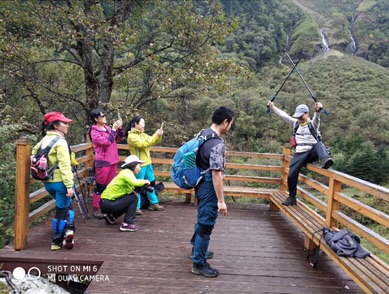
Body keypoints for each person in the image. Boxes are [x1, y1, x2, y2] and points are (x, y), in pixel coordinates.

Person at [190, 106, 234, 278]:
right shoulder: (217, 144)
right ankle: (198, 263)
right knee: (206, 223)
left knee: (202, 217)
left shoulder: (203, 133)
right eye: (230, 124)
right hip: (208, 185)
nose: (229, 127)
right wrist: (221, 201)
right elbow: (216, 174)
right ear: (225, 122)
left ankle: (196, 250)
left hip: (199, 181)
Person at [268, 101, 334, 206]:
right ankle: (292, 197)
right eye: (298, 116)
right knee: (291, 175)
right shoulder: (296, 123)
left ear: (307, 114)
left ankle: (326, 159)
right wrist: (273, 108)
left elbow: (317, 119)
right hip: (300, 154)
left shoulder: (313, 124)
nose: (299, 118)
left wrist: (317, 112)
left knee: (318, 143)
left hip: (312, 152)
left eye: (301, 115)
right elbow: (284, 115)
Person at [31, 112, 76, 251]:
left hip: (48, 182)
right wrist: (69, 186)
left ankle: (69, 231)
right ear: (56, 126)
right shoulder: (61, 142)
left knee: (66, 206)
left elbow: (33, 154)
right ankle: (56, 241)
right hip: (60, 182)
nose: (67, 125)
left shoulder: (43, 140)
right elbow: (65, 166)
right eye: (64, 123)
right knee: (61, 211)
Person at [100, 155, 150, 232]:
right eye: (139, 166)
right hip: (107, 203)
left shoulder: (126, 173)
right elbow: (135, 182)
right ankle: (128, 224)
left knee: (130, 197)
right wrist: (145, 181)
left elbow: (129, 190)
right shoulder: (127, 172)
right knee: (133, 199)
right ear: (133, 165)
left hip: (106, 202)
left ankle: (111, 216)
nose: (140, 168)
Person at [89, 109, 124, 219]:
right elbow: (106, 143)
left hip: (113, 160)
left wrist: (120, 128)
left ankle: (107, 205)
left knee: (109, 186)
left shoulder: (107, 128)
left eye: (104, 115)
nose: (105, 117)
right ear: (96, 119)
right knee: (100, 185)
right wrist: (113, 129)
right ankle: (96, 207)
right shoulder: (94, 132)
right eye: (102, 115)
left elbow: (118, 138)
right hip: (103, 162)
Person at [127, 116, 164, 214]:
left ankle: (153, 203)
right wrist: (155, 135)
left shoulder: (143, 134)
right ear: (136, 124)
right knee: (138, 186)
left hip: (148, 163)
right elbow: (143, 144)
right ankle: (136, 207)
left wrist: (158, 135)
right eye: (142, 123)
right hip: (139, 165)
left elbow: (152, 141)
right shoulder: (132, 136)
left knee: (151, 184)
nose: (144, 125)